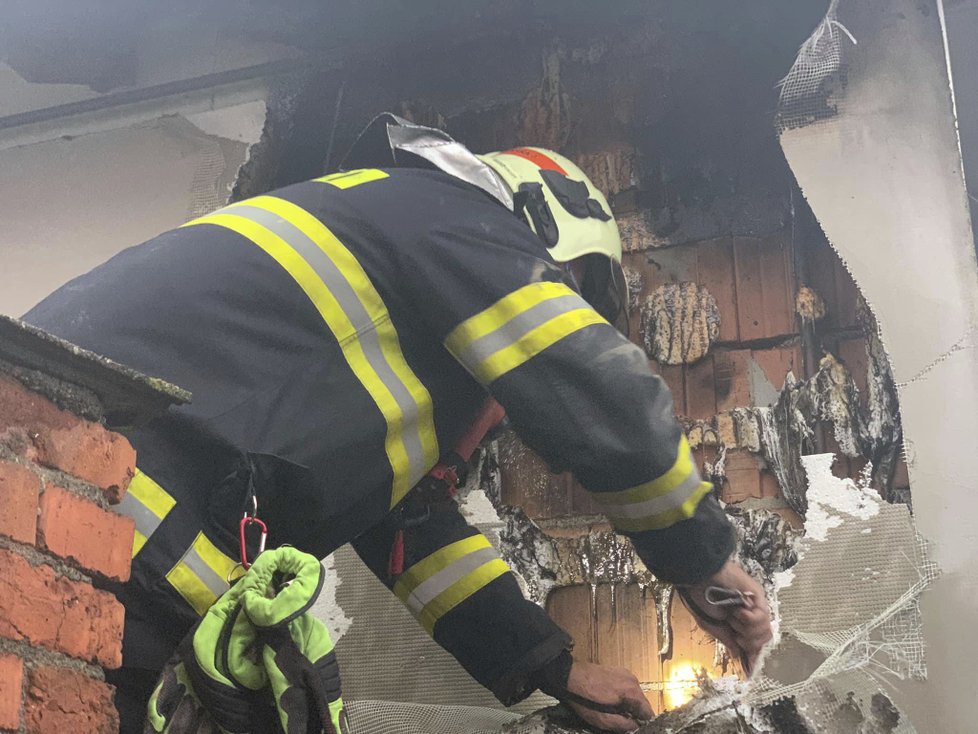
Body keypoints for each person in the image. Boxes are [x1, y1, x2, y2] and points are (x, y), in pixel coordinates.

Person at [24, 113, 771, 733]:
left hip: (92, 534)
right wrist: (706, 565)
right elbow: (596, 382)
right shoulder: (453, 217)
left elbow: (412, 533)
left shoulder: (384, 288)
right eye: (562, 290)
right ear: (545, 226)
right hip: (76, 512)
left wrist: (554, 666)